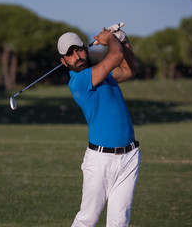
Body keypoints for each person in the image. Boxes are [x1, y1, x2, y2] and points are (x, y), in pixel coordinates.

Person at [57, 27, 140, 227]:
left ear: (86, 49)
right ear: (63, 61)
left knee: (119, 222)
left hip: (130, 156)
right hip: (101, 160)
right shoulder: (79, 81)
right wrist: (112, 39)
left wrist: (124, 41)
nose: (77, 56)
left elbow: (130, 70)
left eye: (79, 50)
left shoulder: (106, 74)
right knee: (88, 219)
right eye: (70, 54)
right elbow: (115, 55)